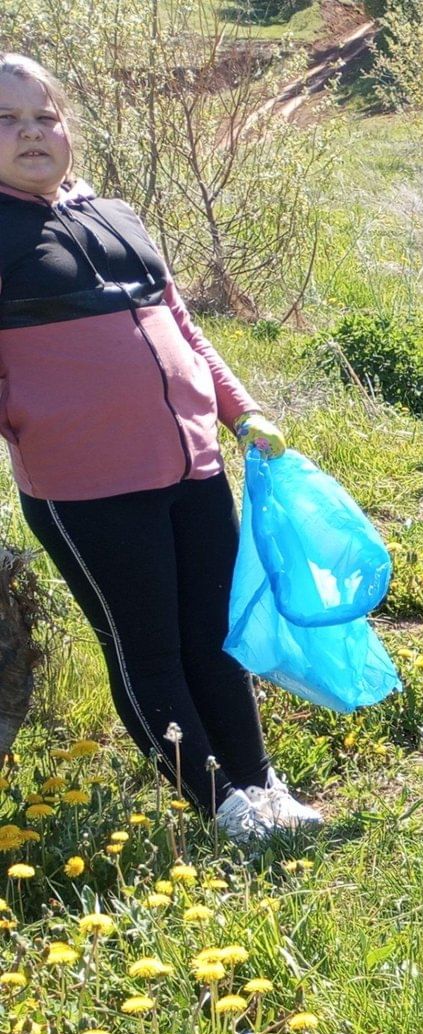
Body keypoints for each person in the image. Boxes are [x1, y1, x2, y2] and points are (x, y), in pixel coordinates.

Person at [0, 54, 319, 845]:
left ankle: (260, 782)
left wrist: (243, 412)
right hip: (87, 490)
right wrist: (35, 418)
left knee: (218, 636)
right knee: (148, 648)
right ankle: (221, 808)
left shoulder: (117, 213)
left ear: (68, 128)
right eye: (6, 121)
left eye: (44, 116)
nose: (31, 133)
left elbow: (182, 326)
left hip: (193, 466)